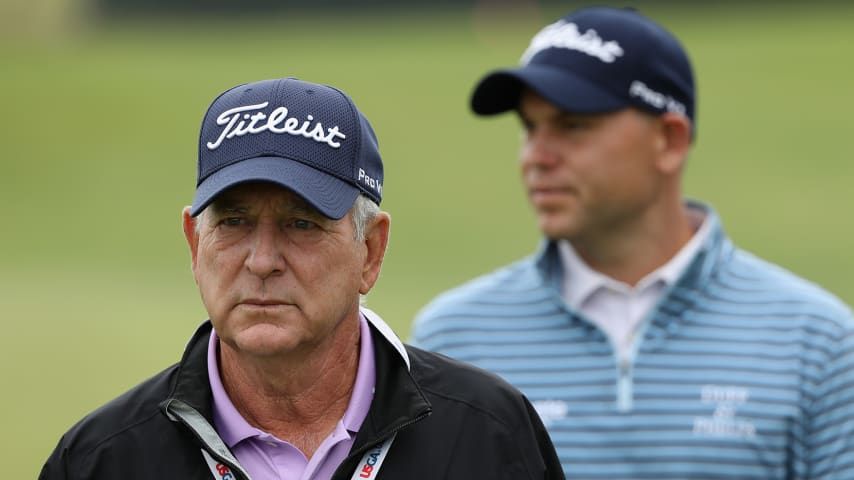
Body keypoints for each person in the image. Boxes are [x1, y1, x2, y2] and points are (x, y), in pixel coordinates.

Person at [40, 77, 563, 480]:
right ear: (196, 246)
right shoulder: (100, 460)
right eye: (234, 222)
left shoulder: (487, 434)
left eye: (302, 223)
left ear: (371, 251)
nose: (262, 260)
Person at [411, 6, 854, 479]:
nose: (536, 157)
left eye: (572, 125)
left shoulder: (817, 344)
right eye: (529, 127)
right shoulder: (453, 338)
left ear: (669, 140)